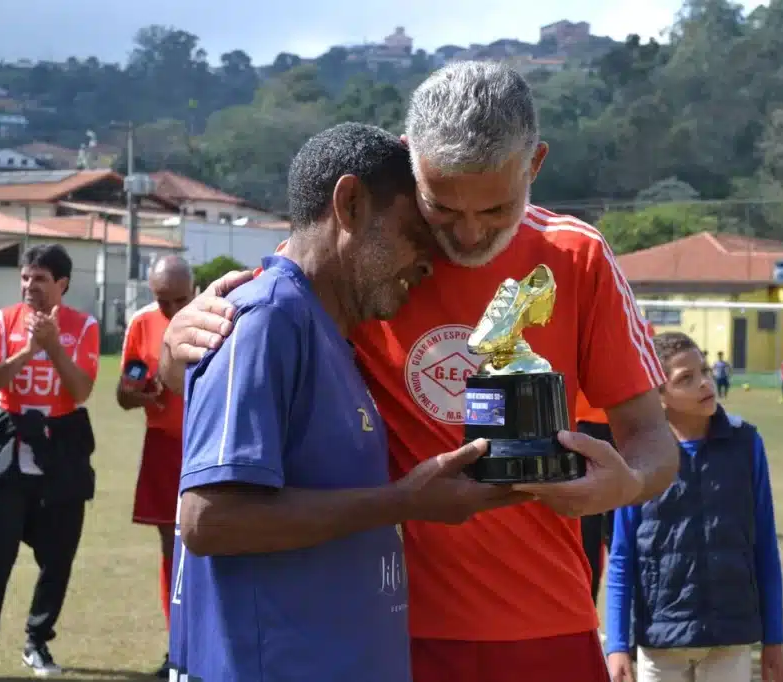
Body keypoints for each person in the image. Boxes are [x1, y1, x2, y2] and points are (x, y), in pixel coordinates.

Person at [162, 62, 679, 682]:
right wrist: (174, 344)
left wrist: (625, 485)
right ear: (412, 160)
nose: (469, 233)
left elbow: (652, 438)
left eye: (496, 208)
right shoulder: (367, 261)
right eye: (442, 208)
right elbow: (232, 362)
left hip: (545, 621)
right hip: (389, 630)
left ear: (534, 165)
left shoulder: (576, 255)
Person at [168, 122, 535, 682]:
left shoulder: (330, 336)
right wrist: (402, 502)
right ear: (351, 205)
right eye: (415, 233)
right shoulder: (268, 320)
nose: (430, 262)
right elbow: (210, 520)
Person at [0, 244, 100, 682]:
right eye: (25, 277)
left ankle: (37, 641)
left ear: (62, 284)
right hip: (8, 437)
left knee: (58, 556)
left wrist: (53, 348)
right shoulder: (3, 321)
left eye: (40, 278)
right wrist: (26, 352)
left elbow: (81, 390)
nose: (29, 285)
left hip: (62, 441)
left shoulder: (84, 326)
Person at [605, 331, 783, 682]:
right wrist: (617, 645)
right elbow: (622, 556)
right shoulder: (637, 455)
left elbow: (765, 545)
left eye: (703, 370)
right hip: (660, 641)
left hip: (730, 637)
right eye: (685, 378)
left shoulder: (747, 444)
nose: (704, 383)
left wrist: (774, 638)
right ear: (659, 396)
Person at [116, 255, 194, 678]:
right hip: (164, 445)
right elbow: (124, 392)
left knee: (212, 543)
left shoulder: (216, 316)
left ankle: (206, 643)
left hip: (207, 441)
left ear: (194, 289)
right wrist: (141, 394)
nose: (173, 310)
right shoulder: (142, 323)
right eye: (164, 301)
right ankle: (176, 645)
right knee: (172, 547)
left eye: (180, 299)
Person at [572, 323, 656, 609]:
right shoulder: (581, 324)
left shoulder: (638, 326)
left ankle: (632, 616)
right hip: (587, 429)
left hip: (624, 428)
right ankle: (589, 612)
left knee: (625, 529)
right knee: (589, 532)